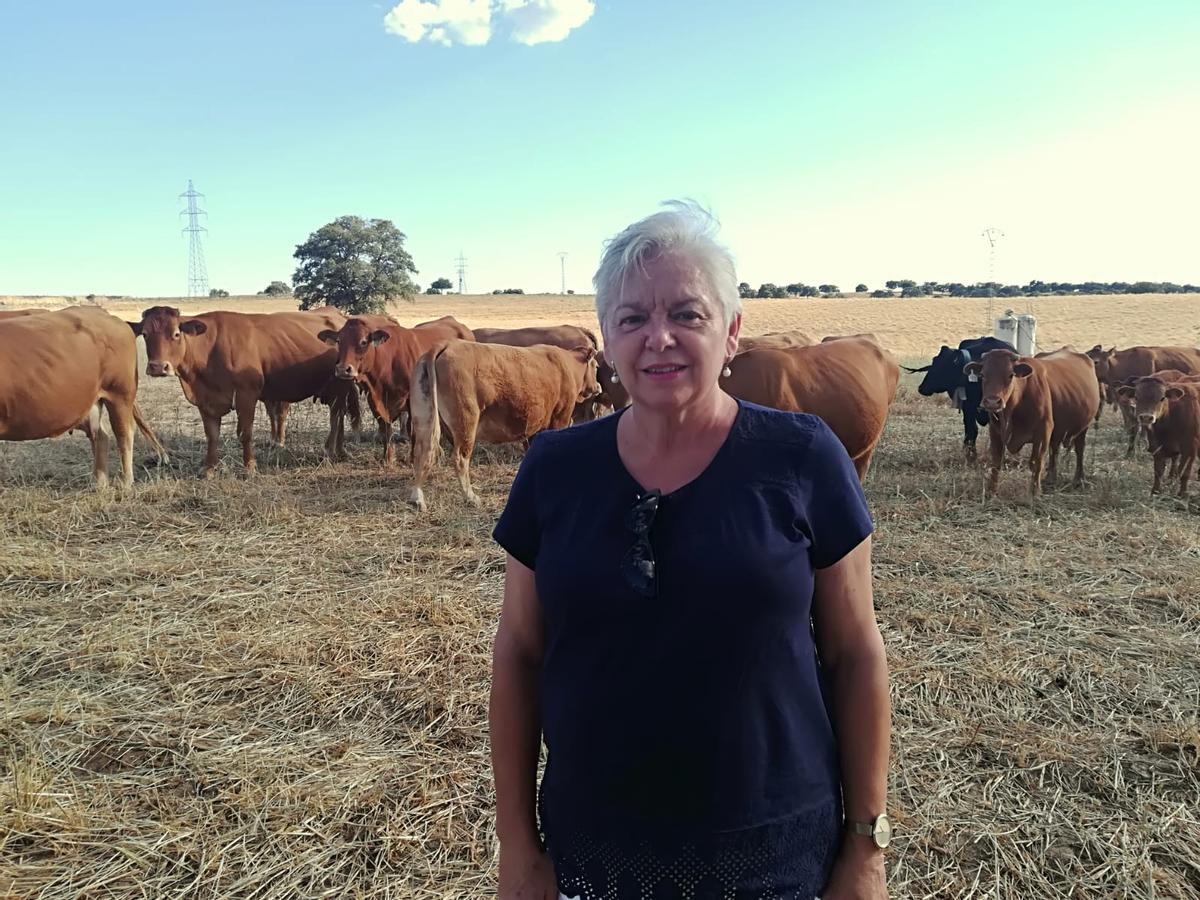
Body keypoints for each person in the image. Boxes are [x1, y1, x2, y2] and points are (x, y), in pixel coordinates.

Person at [490, 200, 891, 900]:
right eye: (633, 318)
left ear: (732, 332)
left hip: (776, 849)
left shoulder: (802, 457)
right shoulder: (554, 469)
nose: (660, 339)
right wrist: (519, 848)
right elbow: (519, 653)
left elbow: (855, 653)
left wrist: (867, 847)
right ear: (607, 341)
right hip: (597, 847)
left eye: (687, 314)